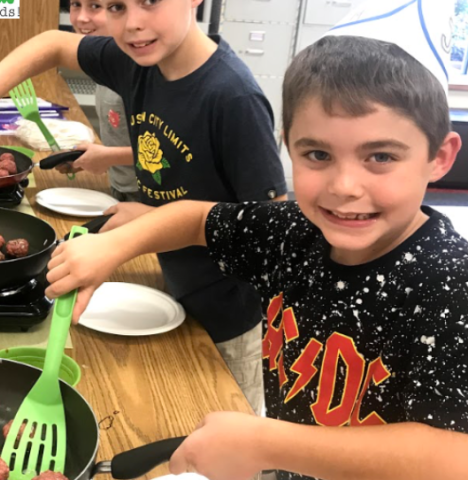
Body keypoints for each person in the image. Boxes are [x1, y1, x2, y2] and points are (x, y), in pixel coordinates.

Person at [42, 2, 468, 479]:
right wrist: (113, 248)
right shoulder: (290, 233)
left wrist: (266, 441)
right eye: (318, 154)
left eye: (381, 157)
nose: (345, 186)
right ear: (287, 145)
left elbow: (455, 457)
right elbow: (196, 219)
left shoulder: (450, 281)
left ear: (440, 156)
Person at [0, 0, 287, 416]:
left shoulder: (233, 98)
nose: (132, 25)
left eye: (149, 3)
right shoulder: (137, 62)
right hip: (174, 282)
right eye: (117, 7)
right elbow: (54, 43)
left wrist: (150, 224)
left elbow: (269, 232)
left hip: (229, 321)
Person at [63, 0, 141, 202]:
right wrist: (91, 157)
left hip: (147, 199)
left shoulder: (140, 68)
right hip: (119, 189)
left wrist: (108, 157)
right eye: (75, 5)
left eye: (95, 6)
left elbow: (170, 151)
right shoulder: (105, 62)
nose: (81, 17)